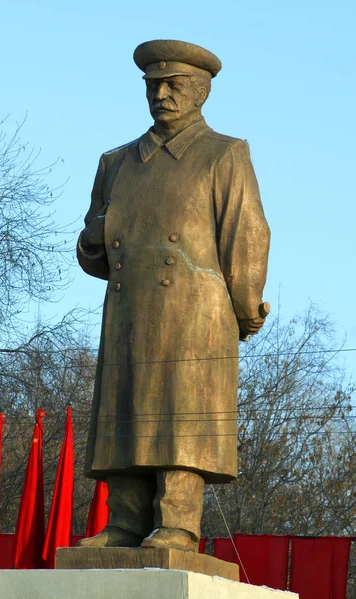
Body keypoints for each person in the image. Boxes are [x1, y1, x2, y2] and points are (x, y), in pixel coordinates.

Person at [76, 39, 270, 552]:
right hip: (128, 312)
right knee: (126, 412)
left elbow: (246, 234)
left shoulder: (224, 153)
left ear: (201, 92)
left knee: (180, 417)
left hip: (194, 314)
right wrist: (92, 237)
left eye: (174, 85)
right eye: (153, 85)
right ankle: (124, 522)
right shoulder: (115, 161)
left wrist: (246, 306)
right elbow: (93, 252)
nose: (161, 94)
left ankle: (179, 524)